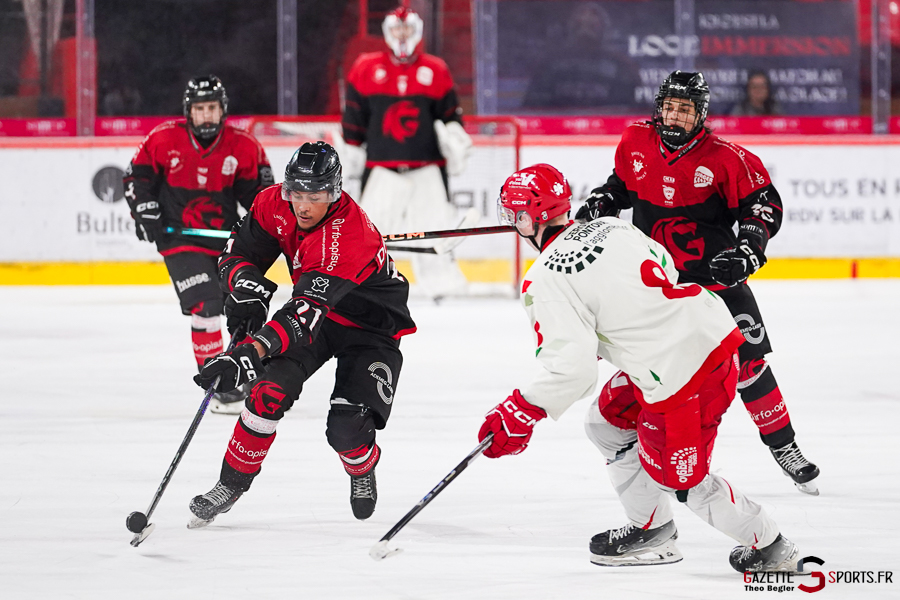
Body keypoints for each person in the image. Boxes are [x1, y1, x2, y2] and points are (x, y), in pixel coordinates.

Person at [478, 164, 805, 573]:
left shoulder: (545, 278)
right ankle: (651, 527)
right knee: (606, 422)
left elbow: (572, 370)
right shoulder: (613, 228)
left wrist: (521, 410)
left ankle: (771, 546)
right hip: (708, 336)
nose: (515, 225)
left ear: (528, 219)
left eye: (515, 217)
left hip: (684, 376)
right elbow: (663, 267)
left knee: (683, 480)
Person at [576, 71, 819, 495]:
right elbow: (621, 187)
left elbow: (762, 208)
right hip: (658, 285)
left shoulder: (727, 158)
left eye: (684, 109)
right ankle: (645, 444)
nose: (673, 115)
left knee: (750, 364)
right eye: (668, 106)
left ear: (701, 115)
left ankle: (785, 447)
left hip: (717, 281)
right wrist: (604, 200)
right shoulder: (635, 140)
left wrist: (747, 251)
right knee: (654, 365)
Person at [187, 141, 416, 526]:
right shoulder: (272, 202)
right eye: (297, 193)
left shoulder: (347, 237)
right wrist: (245, 288)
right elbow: (234, 255)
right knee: (267, 393)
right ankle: (230, 484)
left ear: (336, 192)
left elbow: (300, 316)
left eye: (317, 195)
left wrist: (249, 351)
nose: (304, 205)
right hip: (318, 320)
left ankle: (362, 466)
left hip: (370, 328)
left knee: (345, 430)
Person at [124, 75, 274, 413]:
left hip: (225, 243)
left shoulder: (244, 146)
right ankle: (216, 381)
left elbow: (261, 201)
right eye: (199, 109)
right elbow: (137, 178)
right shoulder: (163, 139)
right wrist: (145, 211)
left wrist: (273, 227)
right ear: (188, 112)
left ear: (222, 110)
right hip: (179, 240)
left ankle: (246, 371)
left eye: (212, 108)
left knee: (244, 303)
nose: (206, 115)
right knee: (206, 305)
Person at [340, 5, 473, 301]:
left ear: (417, 31)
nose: (402, 35)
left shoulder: (436, 69)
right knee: (371, 235)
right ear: (387, 31)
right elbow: (354, 118)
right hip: (382, 168)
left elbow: (451, 117)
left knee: (435, 231)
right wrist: (351, 149)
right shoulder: (365, 68)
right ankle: (364, 287)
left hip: (426, 168)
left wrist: (455, 140)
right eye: (397, 29)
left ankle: (442, 289)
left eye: (407, 29)